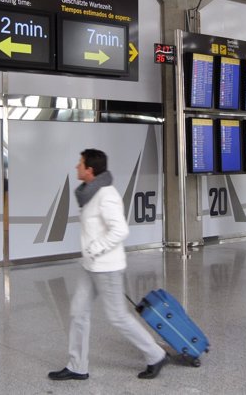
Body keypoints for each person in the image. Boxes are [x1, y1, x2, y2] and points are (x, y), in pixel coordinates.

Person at [48, 149, 167, 381]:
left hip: (107, 266)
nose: (76, 167)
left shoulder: (106, 195)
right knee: (78, 312)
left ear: (90, 170)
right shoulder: (89, 193)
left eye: (80, 164)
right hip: (90, 265)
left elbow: (121, 230)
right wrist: (89, 253)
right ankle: (77, 366)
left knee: (117, 317)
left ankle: (156, 354)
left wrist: (95, 248)